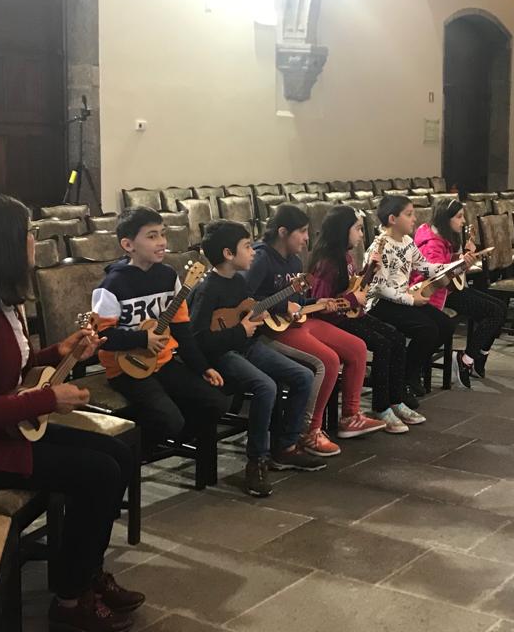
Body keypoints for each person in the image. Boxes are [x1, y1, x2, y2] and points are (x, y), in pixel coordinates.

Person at [0, 193, 143, 632]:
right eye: (28, 232)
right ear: (3, 243)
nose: (35, 239)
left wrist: (59, 351)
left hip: (0, 431)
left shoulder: (0, 300)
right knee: (97, 472)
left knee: (116, 455)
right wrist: (48, 399)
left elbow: (10, 370)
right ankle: (71, 603)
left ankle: (86, 573)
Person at [189, 220, 331, 497]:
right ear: (228, 254)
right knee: (266, 386)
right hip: (221, 354)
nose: (253, 251)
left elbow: (250, 311)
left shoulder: (238, 282)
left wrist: (261, 314)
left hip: (247, 346)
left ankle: (286, 447)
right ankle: (257, 460)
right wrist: (240, 330)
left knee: (303, 375)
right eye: (246, 246)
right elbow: (198, 338)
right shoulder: (207, 288)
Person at [94, 207, 229, 454]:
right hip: (126, 368)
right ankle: (127, 453)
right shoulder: (112, 285)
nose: (162, 242)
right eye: (152, 236)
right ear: (128, 244)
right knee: (169, 420)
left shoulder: (168, 276)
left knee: (217, 402)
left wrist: (202, 367)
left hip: (162, 361)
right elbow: (103, 337)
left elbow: (182, 329)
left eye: (163, 234)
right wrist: (142, 338)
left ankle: (169, 438)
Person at [246, 204, 373, 454]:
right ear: (283, 232)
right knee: (328, 360)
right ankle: (309, 430)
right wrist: (284, 305)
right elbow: (245, 300)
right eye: (302, 231)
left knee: (357, 347)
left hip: (294, 321)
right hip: (268, 330)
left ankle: (350, 415)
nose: (307, 238)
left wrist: (320, 302)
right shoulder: (261, 258)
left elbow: (299, 301)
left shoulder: (294, 260)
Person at [307, 205, 415, 433]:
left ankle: (395, 399)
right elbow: (320, 304)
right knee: (382, 344)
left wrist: (368, 272)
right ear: (342, 230)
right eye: (357, 229)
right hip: (335, 321)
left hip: (350, 315)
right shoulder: (326, 262)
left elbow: (350, 285)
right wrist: (352, 299)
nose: (361, 234)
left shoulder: (344, 256)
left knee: (396, 338)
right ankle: (381, 407)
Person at [367, 195, 458, 399]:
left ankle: (409, 369)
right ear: (392, 219)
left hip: (402, 298)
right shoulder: (381, 246)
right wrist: (411, 300)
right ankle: (405, 377)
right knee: (427, 329)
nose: (414, 219)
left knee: (445, 325)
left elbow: (424, 267)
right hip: (381, 303)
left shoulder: (407, 241)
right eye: (409, 214)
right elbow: (379, 287)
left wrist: (454, 267)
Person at [414, 198, 506, 386]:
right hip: (438, 295)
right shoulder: (431, 244)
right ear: (445, 218)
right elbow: (439, 278)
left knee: (500, 308)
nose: (463, 221)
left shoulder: (440, 236)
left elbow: (447, 264)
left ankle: (476, 357)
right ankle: (466, 359)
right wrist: (463, 263)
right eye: (459, 217)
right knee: (495, 312)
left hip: (450, 290)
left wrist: (461, 259)